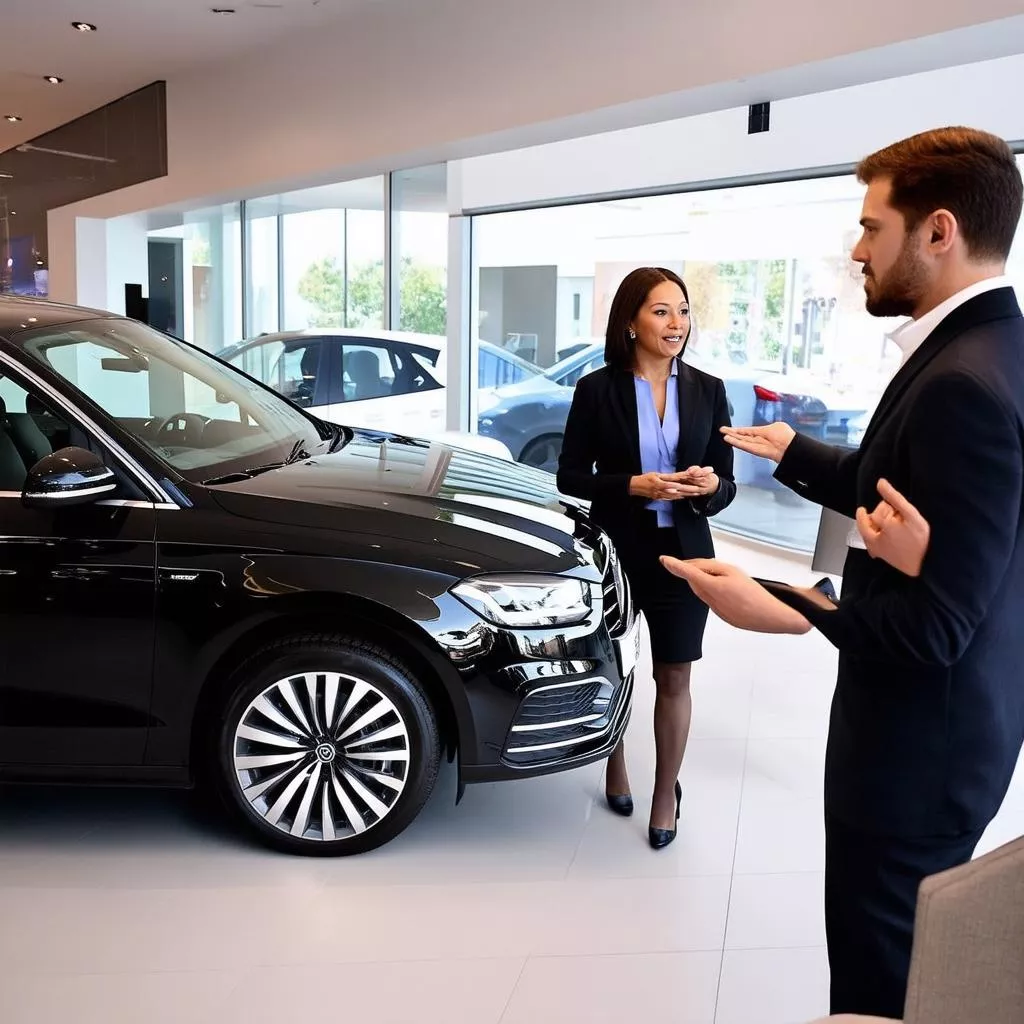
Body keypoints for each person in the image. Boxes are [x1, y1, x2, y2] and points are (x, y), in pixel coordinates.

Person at [663, 126, 1024, 1019]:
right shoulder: (993, 350)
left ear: (937, 231)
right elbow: (905, 489)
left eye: (871, 227)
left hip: (914, 763)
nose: (856, 250)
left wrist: (783, 600)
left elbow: (936, 627)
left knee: (883, 988)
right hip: (963, 734)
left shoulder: (960, 387)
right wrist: (798, 456)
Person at [557, 267, 736, 849]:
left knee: (674, 673)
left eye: (682, 311)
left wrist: (709, 486)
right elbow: (568, 476)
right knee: (617, 668)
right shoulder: (596, 389)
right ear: (631, 321)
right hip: (618, 552)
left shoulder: (709, 390)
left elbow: (726, 483)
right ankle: (614, 762)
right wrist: (634, 486)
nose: (676, 323)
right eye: (661, 311)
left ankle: (665, 791)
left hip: (685, 555)